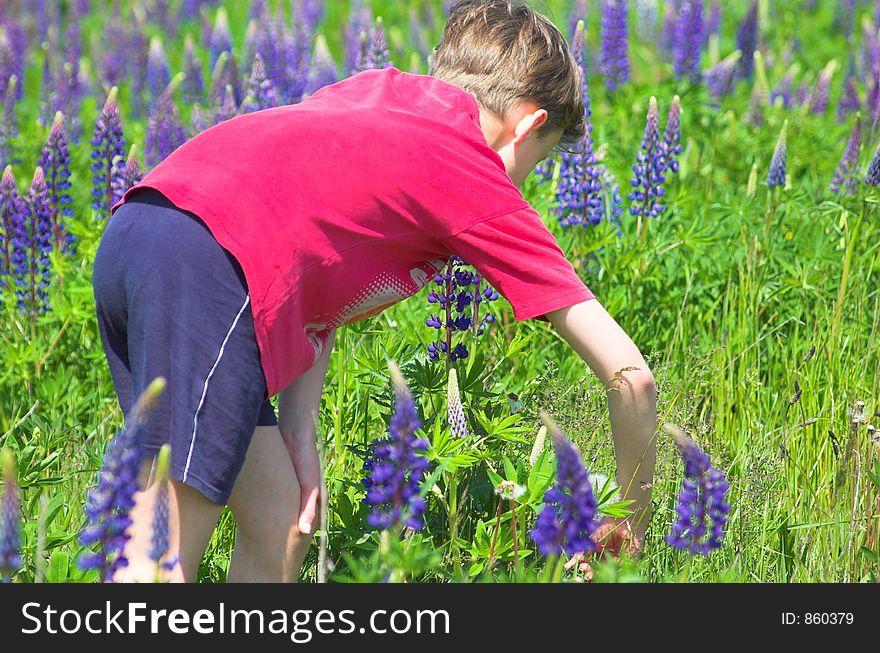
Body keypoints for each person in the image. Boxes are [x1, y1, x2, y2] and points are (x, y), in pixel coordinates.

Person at [92, 0, 657, 582]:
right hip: (209, 266)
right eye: (536, 165)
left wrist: (298, 426)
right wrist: (623, 524)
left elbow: (313, 244)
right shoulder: (472, 176)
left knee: (279, 515)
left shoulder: (378, 92)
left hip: (142, 228)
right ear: (529, 125)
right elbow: (629, 376)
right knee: (156, 563)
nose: (524, 185)